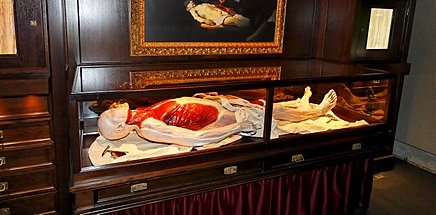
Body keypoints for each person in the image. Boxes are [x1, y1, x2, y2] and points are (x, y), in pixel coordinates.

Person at [97, 88, 337, 147]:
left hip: (216, 105)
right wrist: (234, 128)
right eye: (109, 113)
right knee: (267, 113)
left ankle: (303, 105)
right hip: (221, 118)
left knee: (262, 106)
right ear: (119, 128)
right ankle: (316, 111)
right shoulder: (147, 126)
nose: (112, 108)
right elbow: (197, 138)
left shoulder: (142, 114)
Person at [184, 0, 251, 28]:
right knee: (234, 20)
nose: (191, 2)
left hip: (221, 13)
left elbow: (214, 6)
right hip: (217, 19)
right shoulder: (192, 10)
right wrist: (205, 21)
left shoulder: (202, 4)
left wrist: (225, 9)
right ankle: (250, 26)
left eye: (191, 1)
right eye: (189, 2)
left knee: (238, 16)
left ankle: (251, 22)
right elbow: (196, 18)